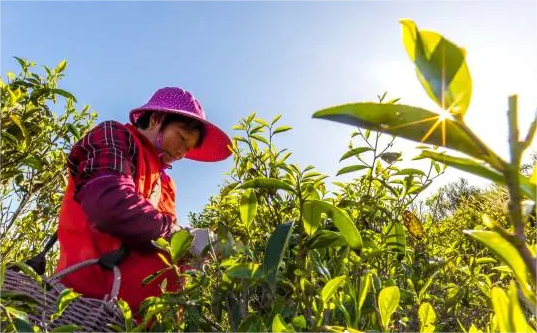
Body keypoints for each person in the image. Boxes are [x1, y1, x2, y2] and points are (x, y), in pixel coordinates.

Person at [55, 87, 231, 314]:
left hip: (147, 319)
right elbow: (109, 203)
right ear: (157, 119)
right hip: (90, 305)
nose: (181, 152)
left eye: (187, 148)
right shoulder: (115, 136)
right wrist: (180, 236)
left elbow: (157, 240)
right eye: (181, 138)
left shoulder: (167, 184)